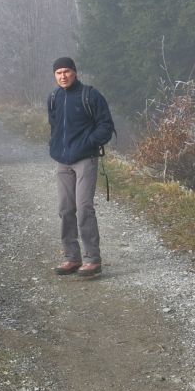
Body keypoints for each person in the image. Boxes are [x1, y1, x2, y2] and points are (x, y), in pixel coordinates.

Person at [47, 57, 115, 277]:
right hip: (62, 161)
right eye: (58, 73)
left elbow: (106, 125)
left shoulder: (90, 95)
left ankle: (92, 259)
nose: (63, 76)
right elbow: (54, 125)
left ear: (74, 72)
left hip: (85, 159)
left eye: (66, 71)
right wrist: (55, 146)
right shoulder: (53, 97)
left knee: (84, 208)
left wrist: (88, 143)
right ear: (54, 76)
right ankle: (71, 257)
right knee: (65, 209)